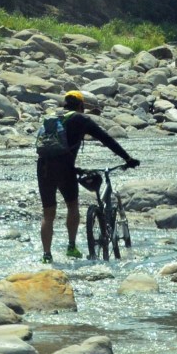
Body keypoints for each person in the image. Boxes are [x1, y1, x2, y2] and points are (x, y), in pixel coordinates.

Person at [37, 90, 139, 263]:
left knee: (48, 214)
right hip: (65, 169)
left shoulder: (53, 118)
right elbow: (106, 139)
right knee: (72, 206)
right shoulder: (80, 119)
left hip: (43, 166)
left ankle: (46, 255)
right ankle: (71, 246)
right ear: (81, 105)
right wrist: (127, 158)